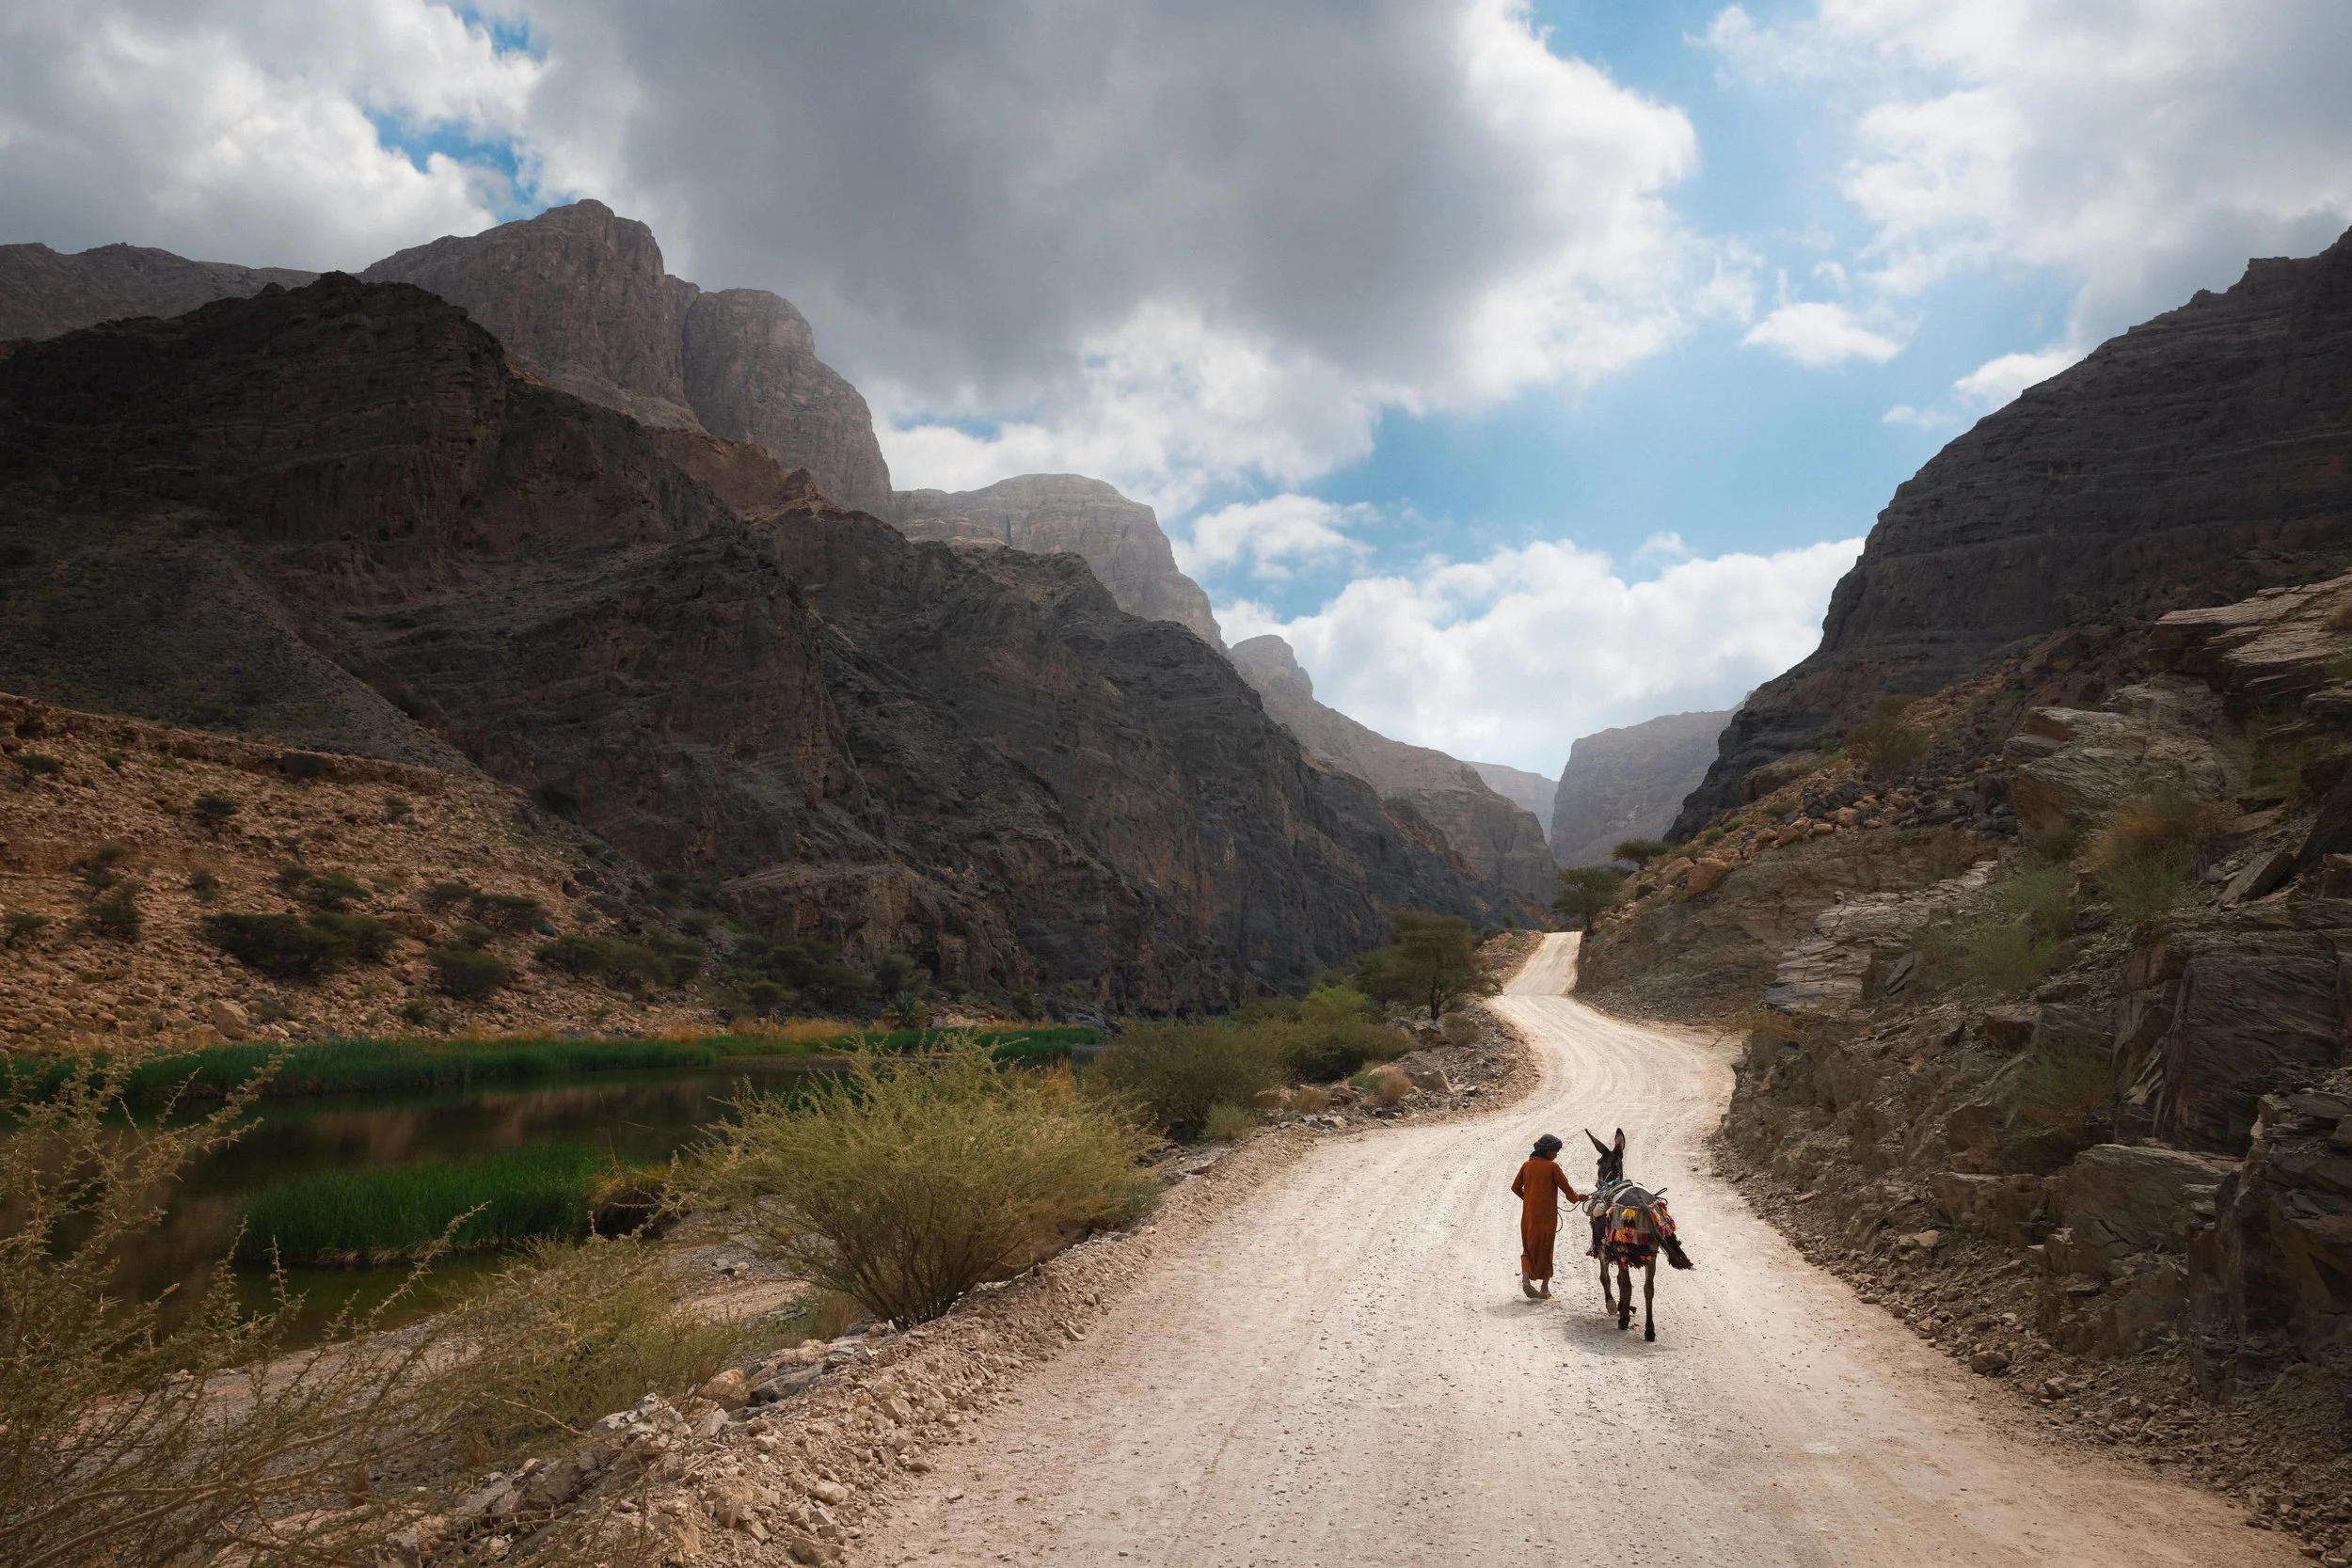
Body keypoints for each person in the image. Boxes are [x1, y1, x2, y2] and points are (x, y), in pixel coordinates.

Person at [1510, 1133, 1583, 1299]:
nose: (1556, 1155)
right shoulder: (1553, 1167)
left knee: (1528, 1247)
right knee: (1546, 1249)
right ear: (1547, 1151)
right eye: (1555, 1151)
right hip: (1547, 1217)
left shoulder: (1526, 1165)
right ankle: (1544, 1288)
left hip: (1528, 1215)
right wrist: (1580, 1197)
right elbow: (1569, 1192)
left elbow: (1515, 1188)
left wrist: (1529, 1198)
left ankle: (1526, 1280)